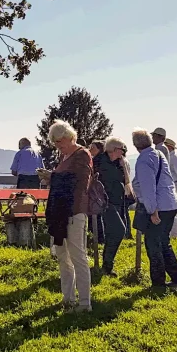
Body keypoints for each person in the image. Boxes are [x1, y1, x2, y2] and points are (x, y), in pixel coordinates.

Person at [132, 128, 177, 291]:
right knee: (163, 243)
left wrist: (152, 211)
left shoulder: (143, 160)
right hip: (170, 203)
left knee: (153, 244)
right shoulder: (159, 154)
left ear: (136, 145)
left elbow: (148, 187)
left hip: (159, 206)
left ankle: (158, 283)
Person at [45, 120, 93, 312]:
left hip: (74, 212)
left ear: (70, 137)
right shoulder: (63, 158)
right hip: (60, 213)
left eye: (60, 141)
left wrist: (53, 177)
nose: (58, 146)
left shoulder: (82, 155)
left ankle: (85, 303)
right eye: (55, 142)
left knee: (78, 257)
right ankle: (68, 298)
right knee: (62, 257)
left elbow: (80, 183)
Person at [93, 137, 134, 276]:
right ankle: (107, 264)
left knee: (112, 234)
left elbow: (124, 181)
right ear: (114, 149)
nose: (123, 152)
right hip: (105, 202)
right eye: (121, 149)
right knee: (119, 230)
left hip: (118, 201)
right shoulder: (99, 161)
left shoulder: (119, 163)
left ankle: (107, 266)